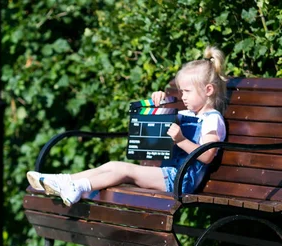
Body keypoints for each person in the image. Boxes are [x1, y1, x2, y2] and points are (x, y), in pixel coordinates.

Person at [27, 46, 227, 207]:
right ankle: (63, 181)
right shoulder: (187, 114)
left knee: (124, 171)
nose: (182, 96)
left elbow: (208, 154)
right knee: (112, 166)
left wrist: (181, 140)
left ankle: (78, 187)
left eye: (187, 91)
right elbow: (158, 127)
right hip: (171, 174)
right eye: (181, 91)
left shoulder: (212, 119)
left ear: (208, 90)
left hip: (182, 180)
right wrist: (159, 103)